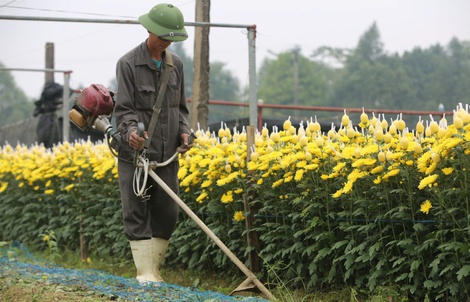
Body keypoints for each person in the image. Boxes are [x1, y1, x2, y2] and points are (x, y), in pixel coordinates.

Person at [113, 3, 192, 284]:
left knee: (168, 213)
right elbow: (124, 109)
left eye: (171, 37)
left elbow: (180, 108)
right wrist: (132, 132)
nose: (166, 41)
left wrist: (184, 132)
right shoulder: (128, 64)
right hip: (135, 154)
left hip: (167, 154)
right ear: (149, 30)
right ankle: (145, 274)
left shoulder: (176, 65)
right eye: (162, 35)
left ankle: (154, 270)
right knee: (135, 210)